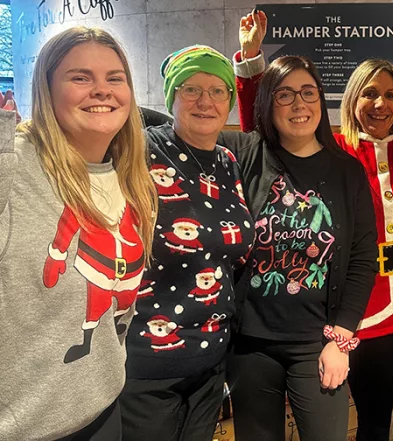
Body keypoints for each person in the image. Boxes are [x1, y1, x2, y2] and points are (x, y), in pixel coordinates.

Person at [233, 1, 393, 438]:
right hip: (366, 311)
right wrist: (250, 66)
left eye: (390, 95)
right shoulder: (335, 152)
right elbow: (265, 133)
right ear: (352, 99)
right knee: (371, 425)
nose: (380, 104)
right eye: (369, 94)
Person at [0, 27, 157, 440]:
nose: (102, 90)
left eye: (114, 78)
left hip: (102, 411)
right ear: (47, 90)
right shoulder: (13, 165)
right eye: (80, 77)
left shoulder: (130, 176)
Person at [218, 52, 378, 439]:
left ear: (321, 99)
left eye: (308, 92)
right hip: (250, 343)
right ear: (268, 103)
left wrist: (341, 339)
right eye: (285, 94)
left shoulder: (347, 171)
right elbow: (182, 130)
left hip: (318, 341)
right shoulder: (245, 154)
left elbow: (362, 259)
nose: (299, 104)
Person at [119, 45, 257, 441]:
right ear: (171, 96)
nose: (205, 101)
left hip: (211, 363)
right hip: (147, 366)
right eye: (191, 89)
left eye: (217, 90)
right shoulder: (139, 152)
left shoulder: (228, 162)